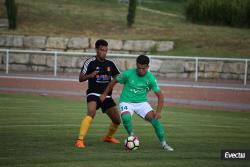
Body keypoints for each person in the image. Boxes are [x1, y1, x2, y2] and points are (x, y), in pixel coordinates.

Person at [100, 55, 174, 151]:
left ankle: (164, 144)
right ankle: (132, 135)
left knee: (155, 120)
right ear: (136, 65)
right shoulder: (128, 74)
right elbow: (114, 80)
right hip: (126, 101)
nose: (141, 70)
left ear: (147, 67)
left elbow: (160, 96)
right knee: (126, 117)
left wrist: (158, 112)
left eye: (143, 68)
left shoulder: (151, 79)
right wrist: (104, 94)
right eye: (139, 68)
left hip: (141, 103)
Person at [75, 39, 121, 148]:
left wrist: (113, 82)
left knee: (117, 120)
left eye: (106, 50)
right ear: (96, 50)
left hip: (107, 96)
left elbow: (117, 77)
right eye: (102, 50)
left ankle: (108, 137)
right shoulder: (90, 62)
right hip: (93, 94)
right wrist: (89, 76)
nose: (104, 52)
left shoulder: (110, 63)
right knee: (91, 113)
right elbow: (80, 78)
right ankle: (79, 140)